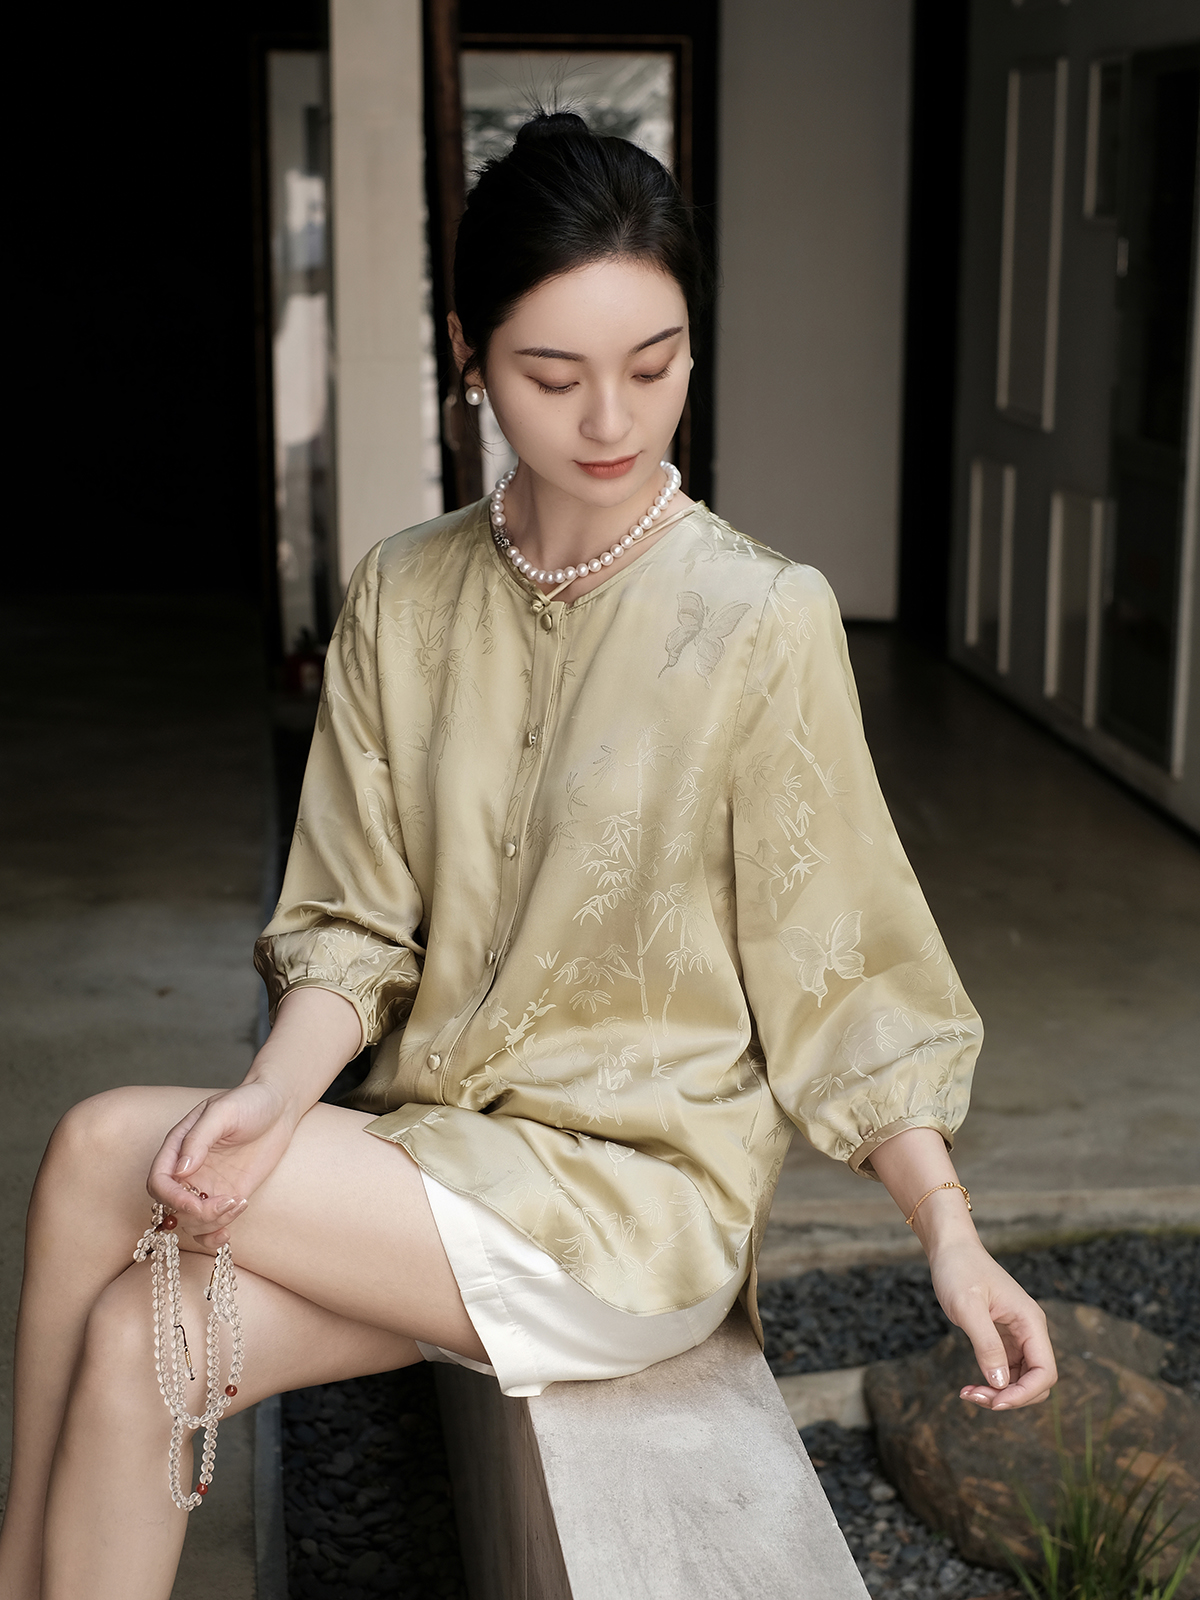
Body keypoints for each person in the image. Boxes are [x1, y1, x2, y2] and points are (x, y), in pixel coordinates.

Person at [0, 111, 1056, 1599]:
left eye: (656, 365)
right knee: (140, 1336)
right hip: (434, 1159)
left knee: (100, 1150)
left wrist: (948, 1230)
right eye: (553, 376)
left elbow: (846, 970)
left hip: (631, 1207)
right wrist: (274, 1097)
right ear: (471, 355)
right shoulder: (404, 592)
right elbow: (354, 925)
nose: (611, 420)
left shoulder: (764, 619)